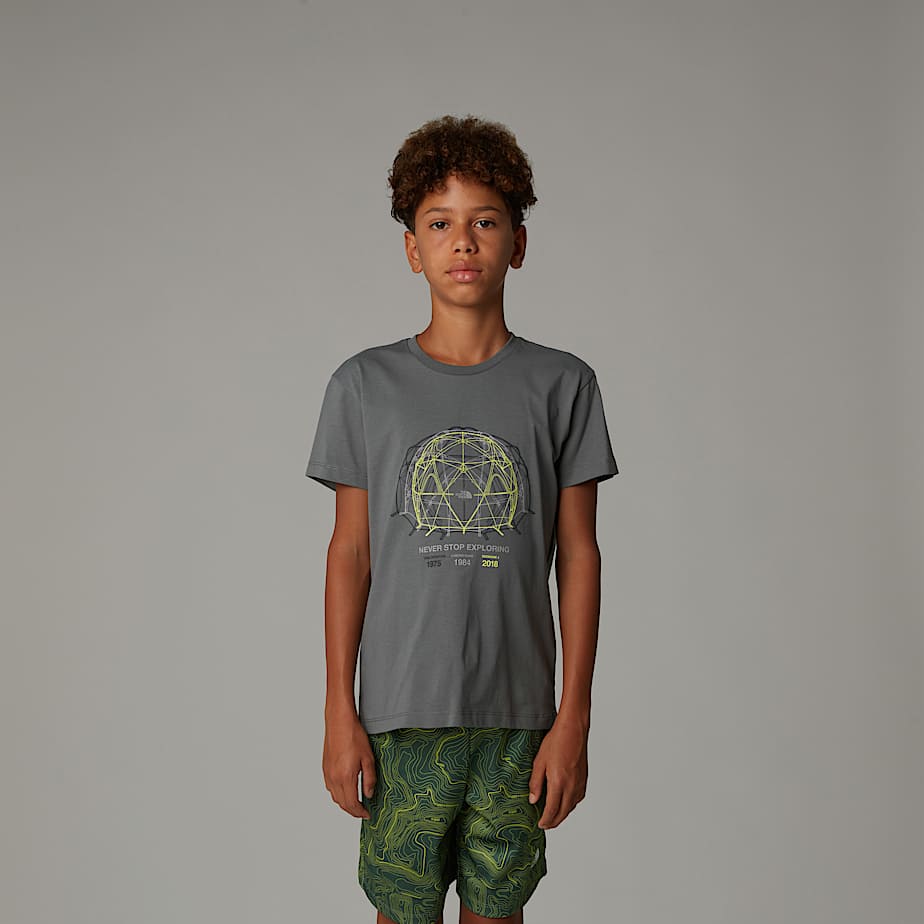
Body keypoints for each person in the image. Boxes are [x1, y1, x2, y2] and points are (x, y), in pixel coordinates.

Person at [305, 114, 619, 924]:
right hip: (399, 719)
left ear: (519, 242)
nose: (464, 242)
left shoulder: (563, 386)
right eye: (440, 224)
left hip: (519, 719)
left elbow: (579, 556)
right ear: (413, 249)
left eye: (485, 221)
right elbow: (350, 553)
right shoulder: (363, 386)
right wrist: (340, 711)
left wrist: (573, 719)